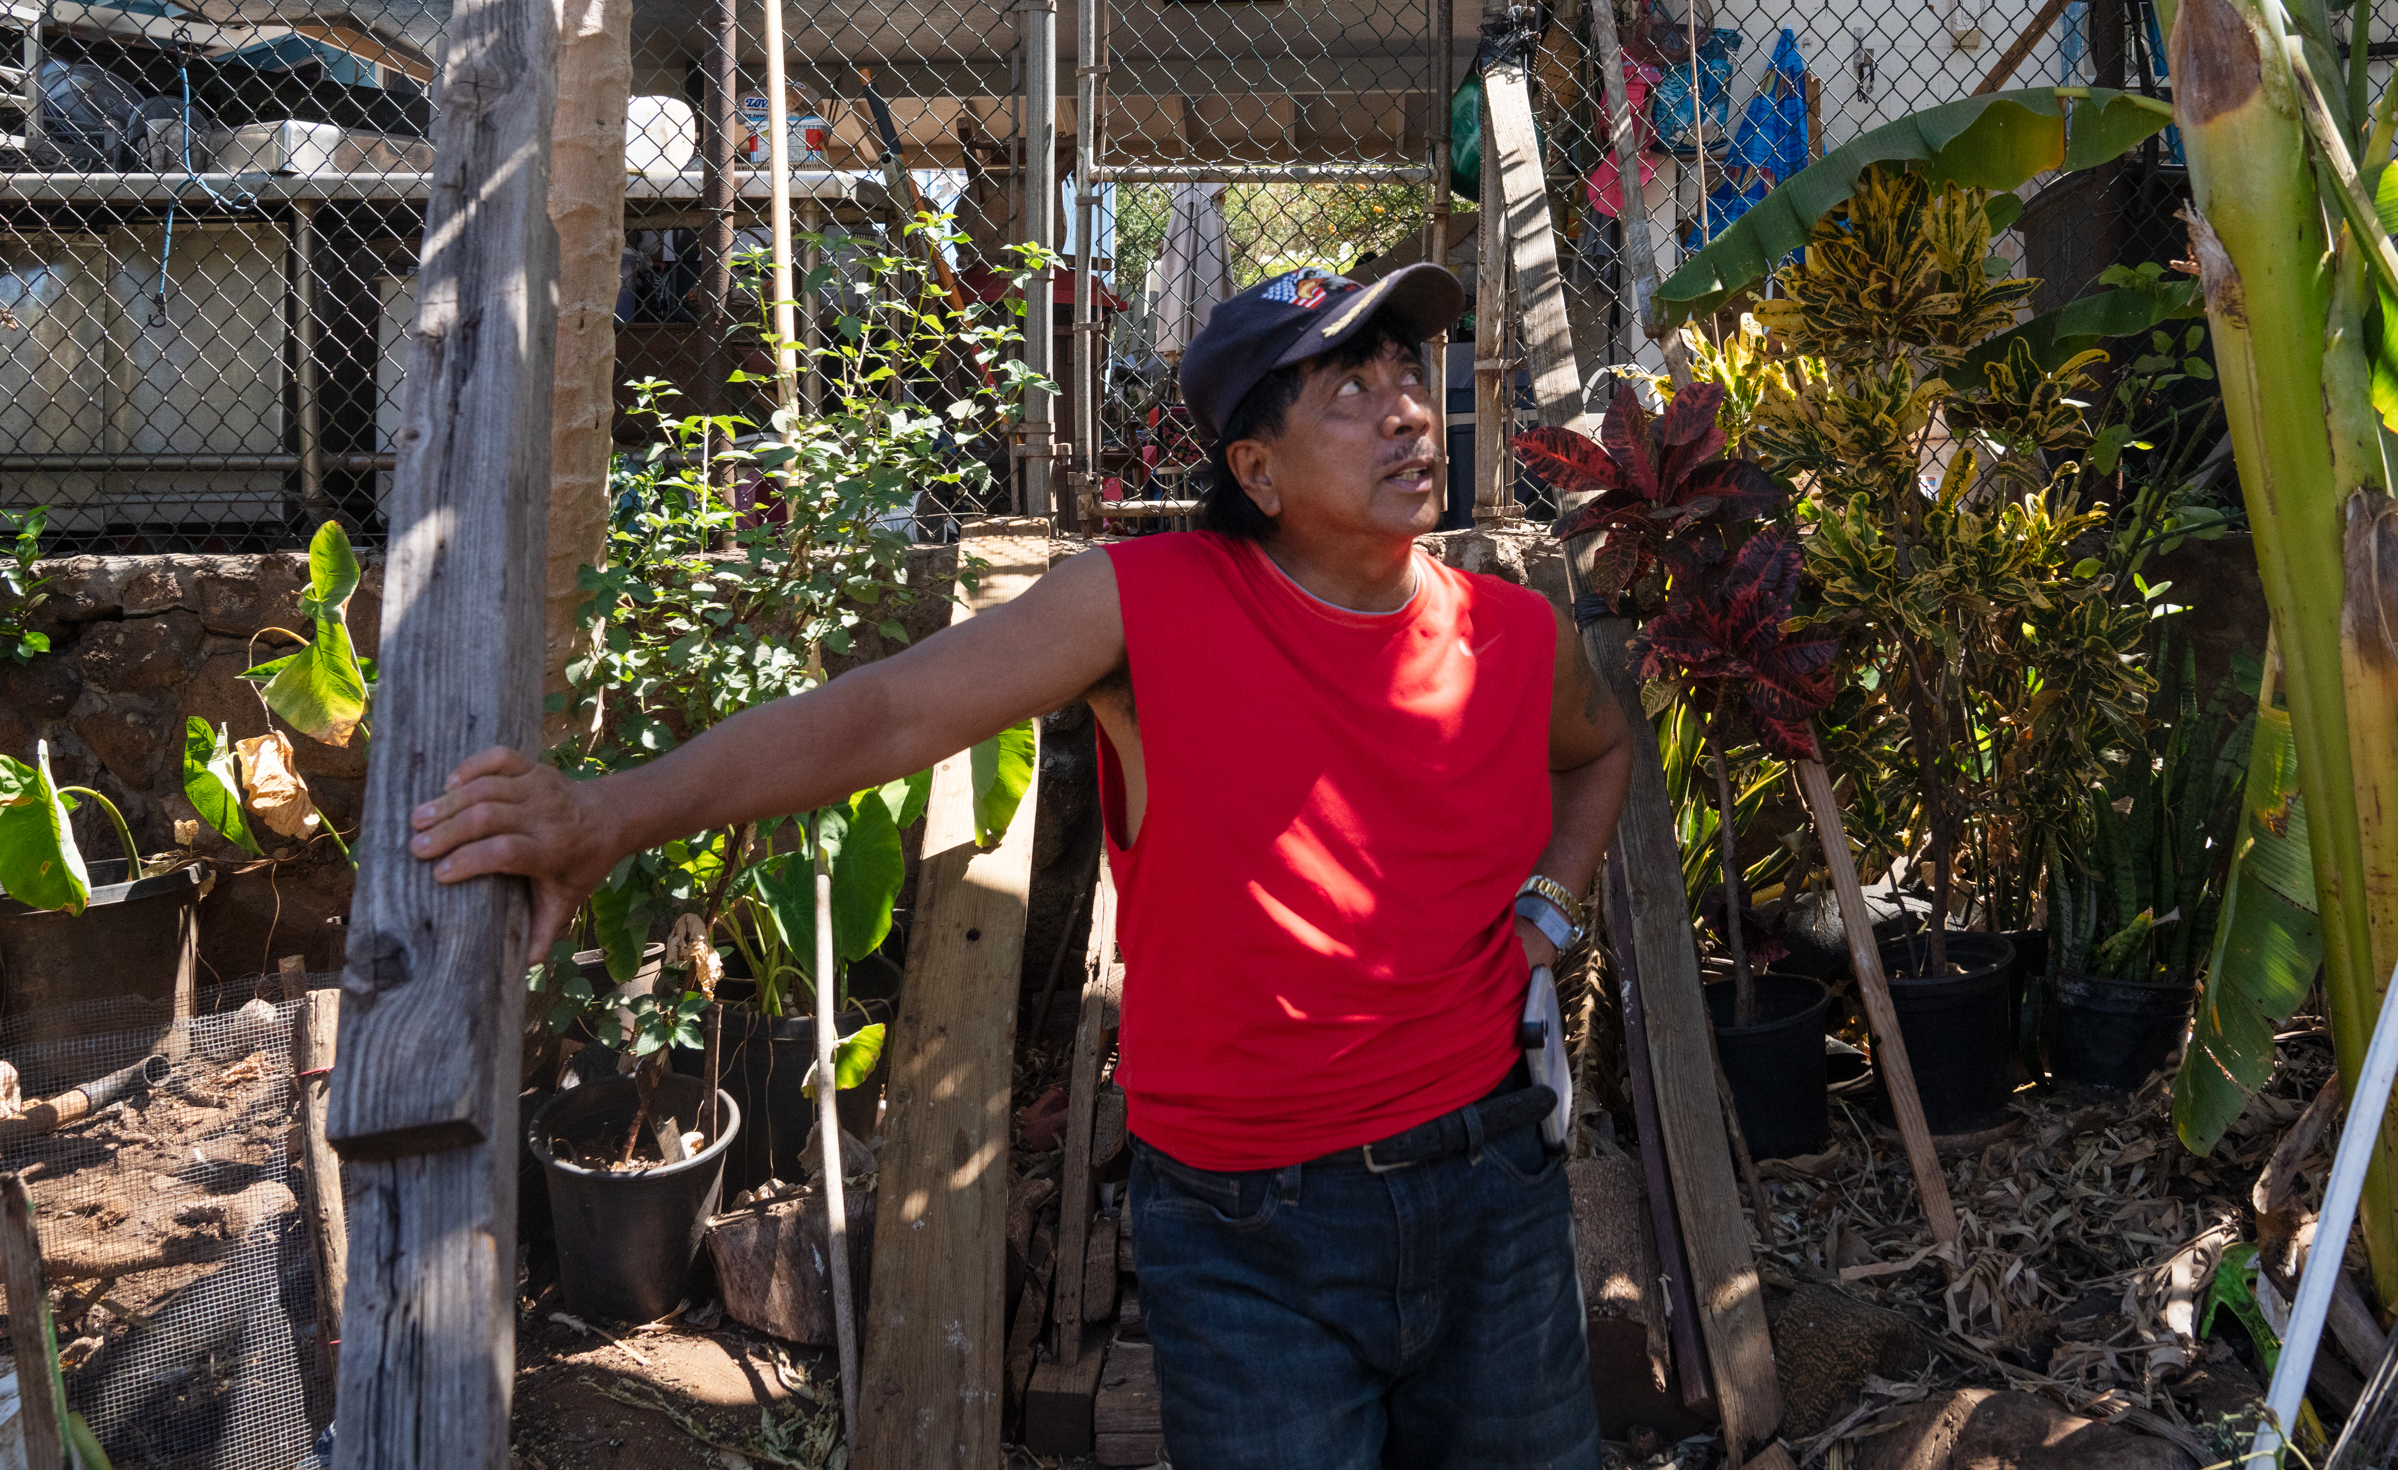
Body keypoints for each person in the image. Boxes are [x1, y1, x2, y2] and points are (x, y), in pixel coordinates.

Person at [409, 261, 1633, 1470]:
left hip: (1494, 1186)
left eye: (1405, 371)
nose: (1407, 407)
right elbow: (888, 715)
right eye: (1348, 389)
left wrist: (1550, 906)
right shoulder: (1147, 608)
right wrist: (609, 812)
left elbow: (1600, 754)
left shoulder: (1510, 632)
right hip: (1254, 1231)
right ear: (1253, 468)